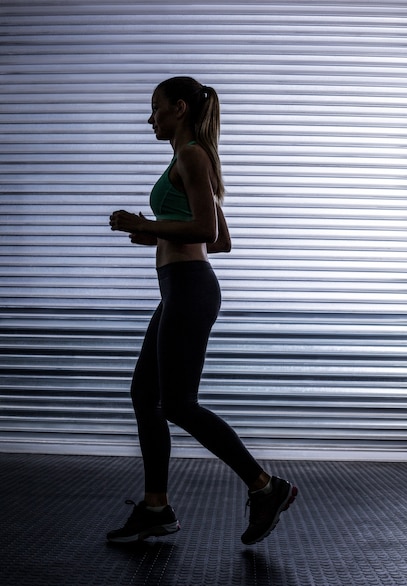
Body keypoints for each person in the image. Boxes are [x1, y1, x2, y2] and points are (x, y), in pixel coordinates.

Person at [108, 76, 297, 546]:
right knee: (144, 394)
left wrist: (147, 223)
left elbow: (208, 233)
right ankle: (156, 508)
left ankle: (266, 486)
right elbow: (223, 239)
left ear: (178, 108)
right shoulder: (188, 158)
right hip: (180, 288)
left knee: (175, 402)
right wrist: (153, 235)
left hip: (190, 288)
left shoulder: (192, 155)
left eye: (155, 108)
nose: (149, 118)